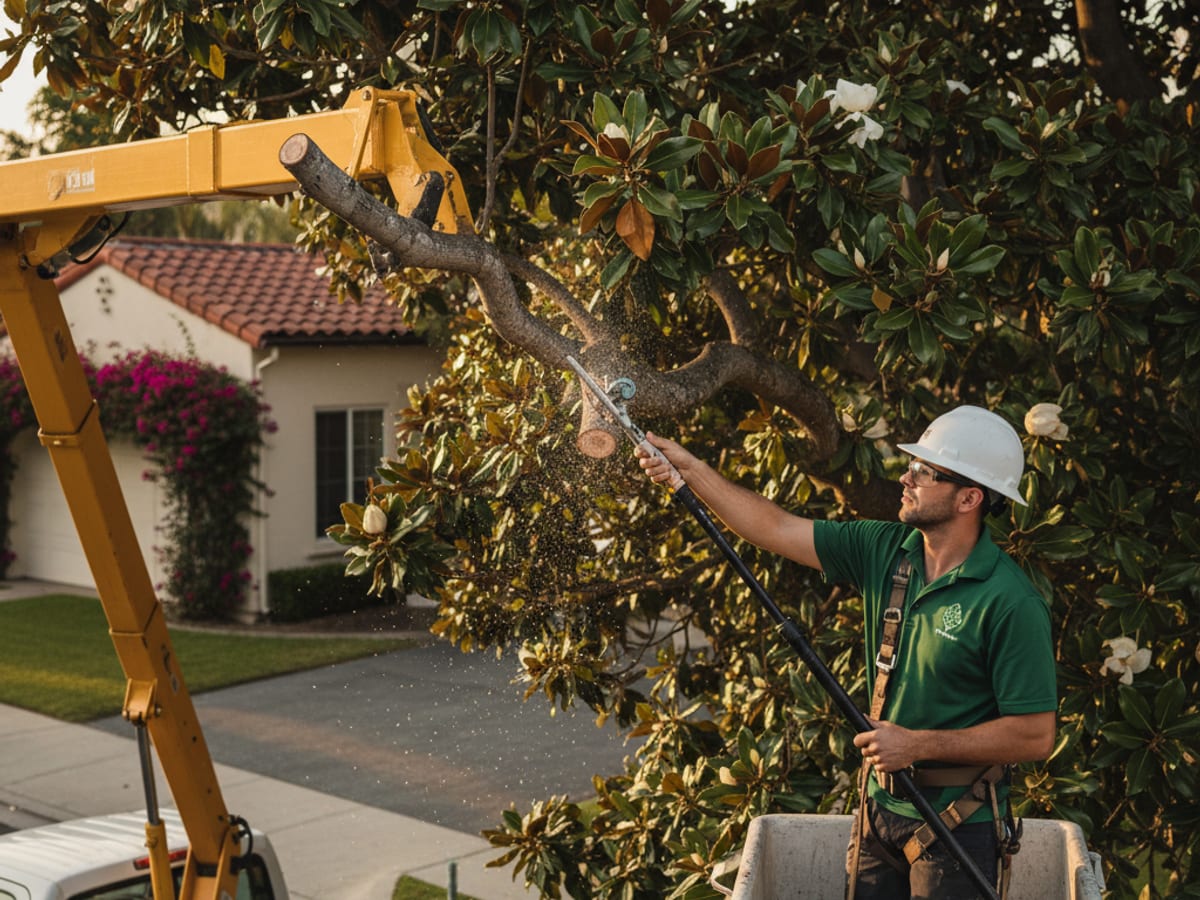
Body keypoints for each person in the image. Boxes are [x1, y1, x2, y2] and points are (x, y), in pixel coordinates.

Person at [637, 405, 1058, 900]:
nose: (907, 477)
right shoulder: (883, 551)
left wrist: (917, 745)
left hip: (959, 825)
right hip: (878, 813)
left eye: (925, 471)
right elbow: (774, 527)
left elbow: (1034, 736)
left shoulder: (1010, 602)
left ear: (970, 497)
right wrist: (691, 470)